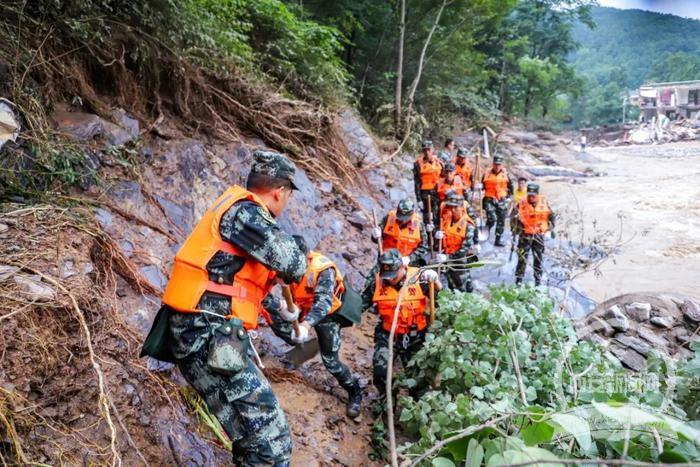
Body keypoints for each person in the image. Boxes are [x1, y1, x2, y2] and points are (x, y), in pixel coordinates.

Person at [149, 150, 307, 466]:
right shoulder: (245, 213)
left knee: (257, 441)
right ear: (280, 192)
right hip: (206, 335)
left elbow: (236, 288)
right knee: (270, 448)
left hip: (209, 334)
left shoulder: (241, 219)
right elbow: (294, 263)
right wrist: (293, 260)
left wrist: (286, 318)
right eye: (287, 196)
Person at [264, 236, 362, 418]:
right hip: (300, 307)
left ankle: (354, 392)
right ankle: (306, 346)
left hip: (327, 314)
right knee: (273, 315)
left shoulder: (323, 270)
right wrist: (282, 306)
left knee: (331, 361)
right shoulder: (285, 263)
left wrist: (306, 325)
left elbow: (323, 304)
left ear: (305, 257)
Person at [361, 249, 441, 409]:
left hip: (416, 336)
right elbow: (360, 305)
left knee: (418, 379)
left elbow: (442, 302)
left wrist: (437, 283)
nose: (389, 281)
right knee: (381, 373)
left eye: (393, 276)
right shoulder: (377, 282)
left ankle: (418, 410)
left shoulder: (420, 279)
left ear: (402, 268)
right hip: (388, 333)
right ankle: (387, 402)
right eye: (386, 277)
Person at [514, 183, 555, 286]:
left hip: (538, 236)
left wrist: (551, 227)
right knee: (522, 258)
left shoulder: (544, 202)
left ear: (537, 194)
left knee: (538, 258)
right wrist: (516, 229)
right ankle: (519, 280)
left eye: (533, 195)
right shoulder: (521, 203)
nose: (531, 197)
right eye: (529, 195)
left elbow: (552, 216)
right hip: (525, 236)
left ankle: (538, 280)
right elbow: (513, 217)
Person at [436, 192, 477, 292]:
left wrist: (447, 257)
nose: (453, 211)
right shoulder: (447, 220)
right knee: (451, 282)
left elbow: (464, 250)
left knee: (461, 285)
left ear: (462, 208)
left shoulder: (468, 226)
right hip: (447, 257)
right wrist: (437, 235)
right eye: (451, 208)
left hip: (459, 261)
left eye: (456, 208)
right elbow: (443, 237)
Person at [371, 198, 429, 267]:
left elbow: (424, 248)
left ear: (412, 215)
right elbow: (378, 239)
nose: (402, 220)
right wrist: (375, 236)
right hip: (386, 261)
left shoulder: (419, 225)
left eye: (405, 218)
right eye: (400, 217)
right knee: (372, 277)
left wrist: (409, 258)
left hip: (407, 264)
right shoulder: (389, 218)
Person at [478, 154, 513, 247]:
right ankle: (485, 234)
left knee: (501, 219)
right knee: (492, 218)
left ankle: (498, 239)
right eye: (495, 164)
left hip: (502, 200)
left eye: (499, 164)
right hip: (489, 199)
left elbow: (511, 188)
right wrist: (479, 187)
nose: (497, 166)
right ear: (493, 164)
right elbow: (481, 186)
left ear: (501, 165)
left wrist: (508, 199)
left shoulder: (506, 174)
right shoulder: (486, 174)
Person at [413, 139, 442, 229]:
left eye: (429, 150)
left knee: (438, 216)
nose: (427, 152)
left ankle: (437, 238)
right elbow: (417, 182)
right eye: (425, 150)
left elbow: (445, 176)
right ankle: (428, 239)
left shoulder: (439, 162)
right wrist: (419, 200)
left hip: (438, 193)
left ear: (432, 150)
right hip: (425, 194)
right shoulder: (418, 164)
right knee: (427, 218)